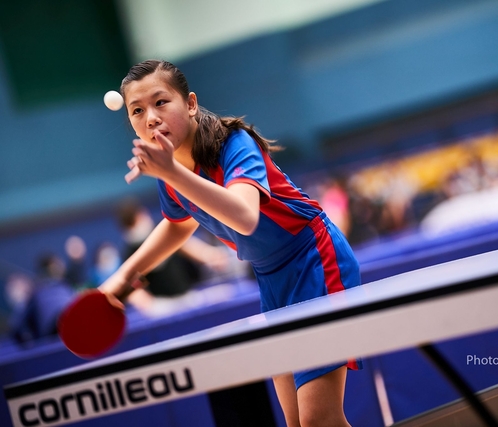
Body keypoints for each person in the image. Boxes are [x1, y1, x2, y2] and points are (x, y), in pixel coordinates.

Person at [99, 59, 362, 427]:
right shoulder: (170, 170)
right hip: (271, 279)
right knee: (297, 421)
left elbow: (244, 214)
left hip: (314, 258)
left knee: (320, 419)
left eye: (161, 103)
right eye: (137, 111)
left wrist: (170, 172)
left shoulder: (233, 144)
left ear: (190, 103)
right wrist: (124, 276)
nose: (151, 118)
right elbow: (178, 225)